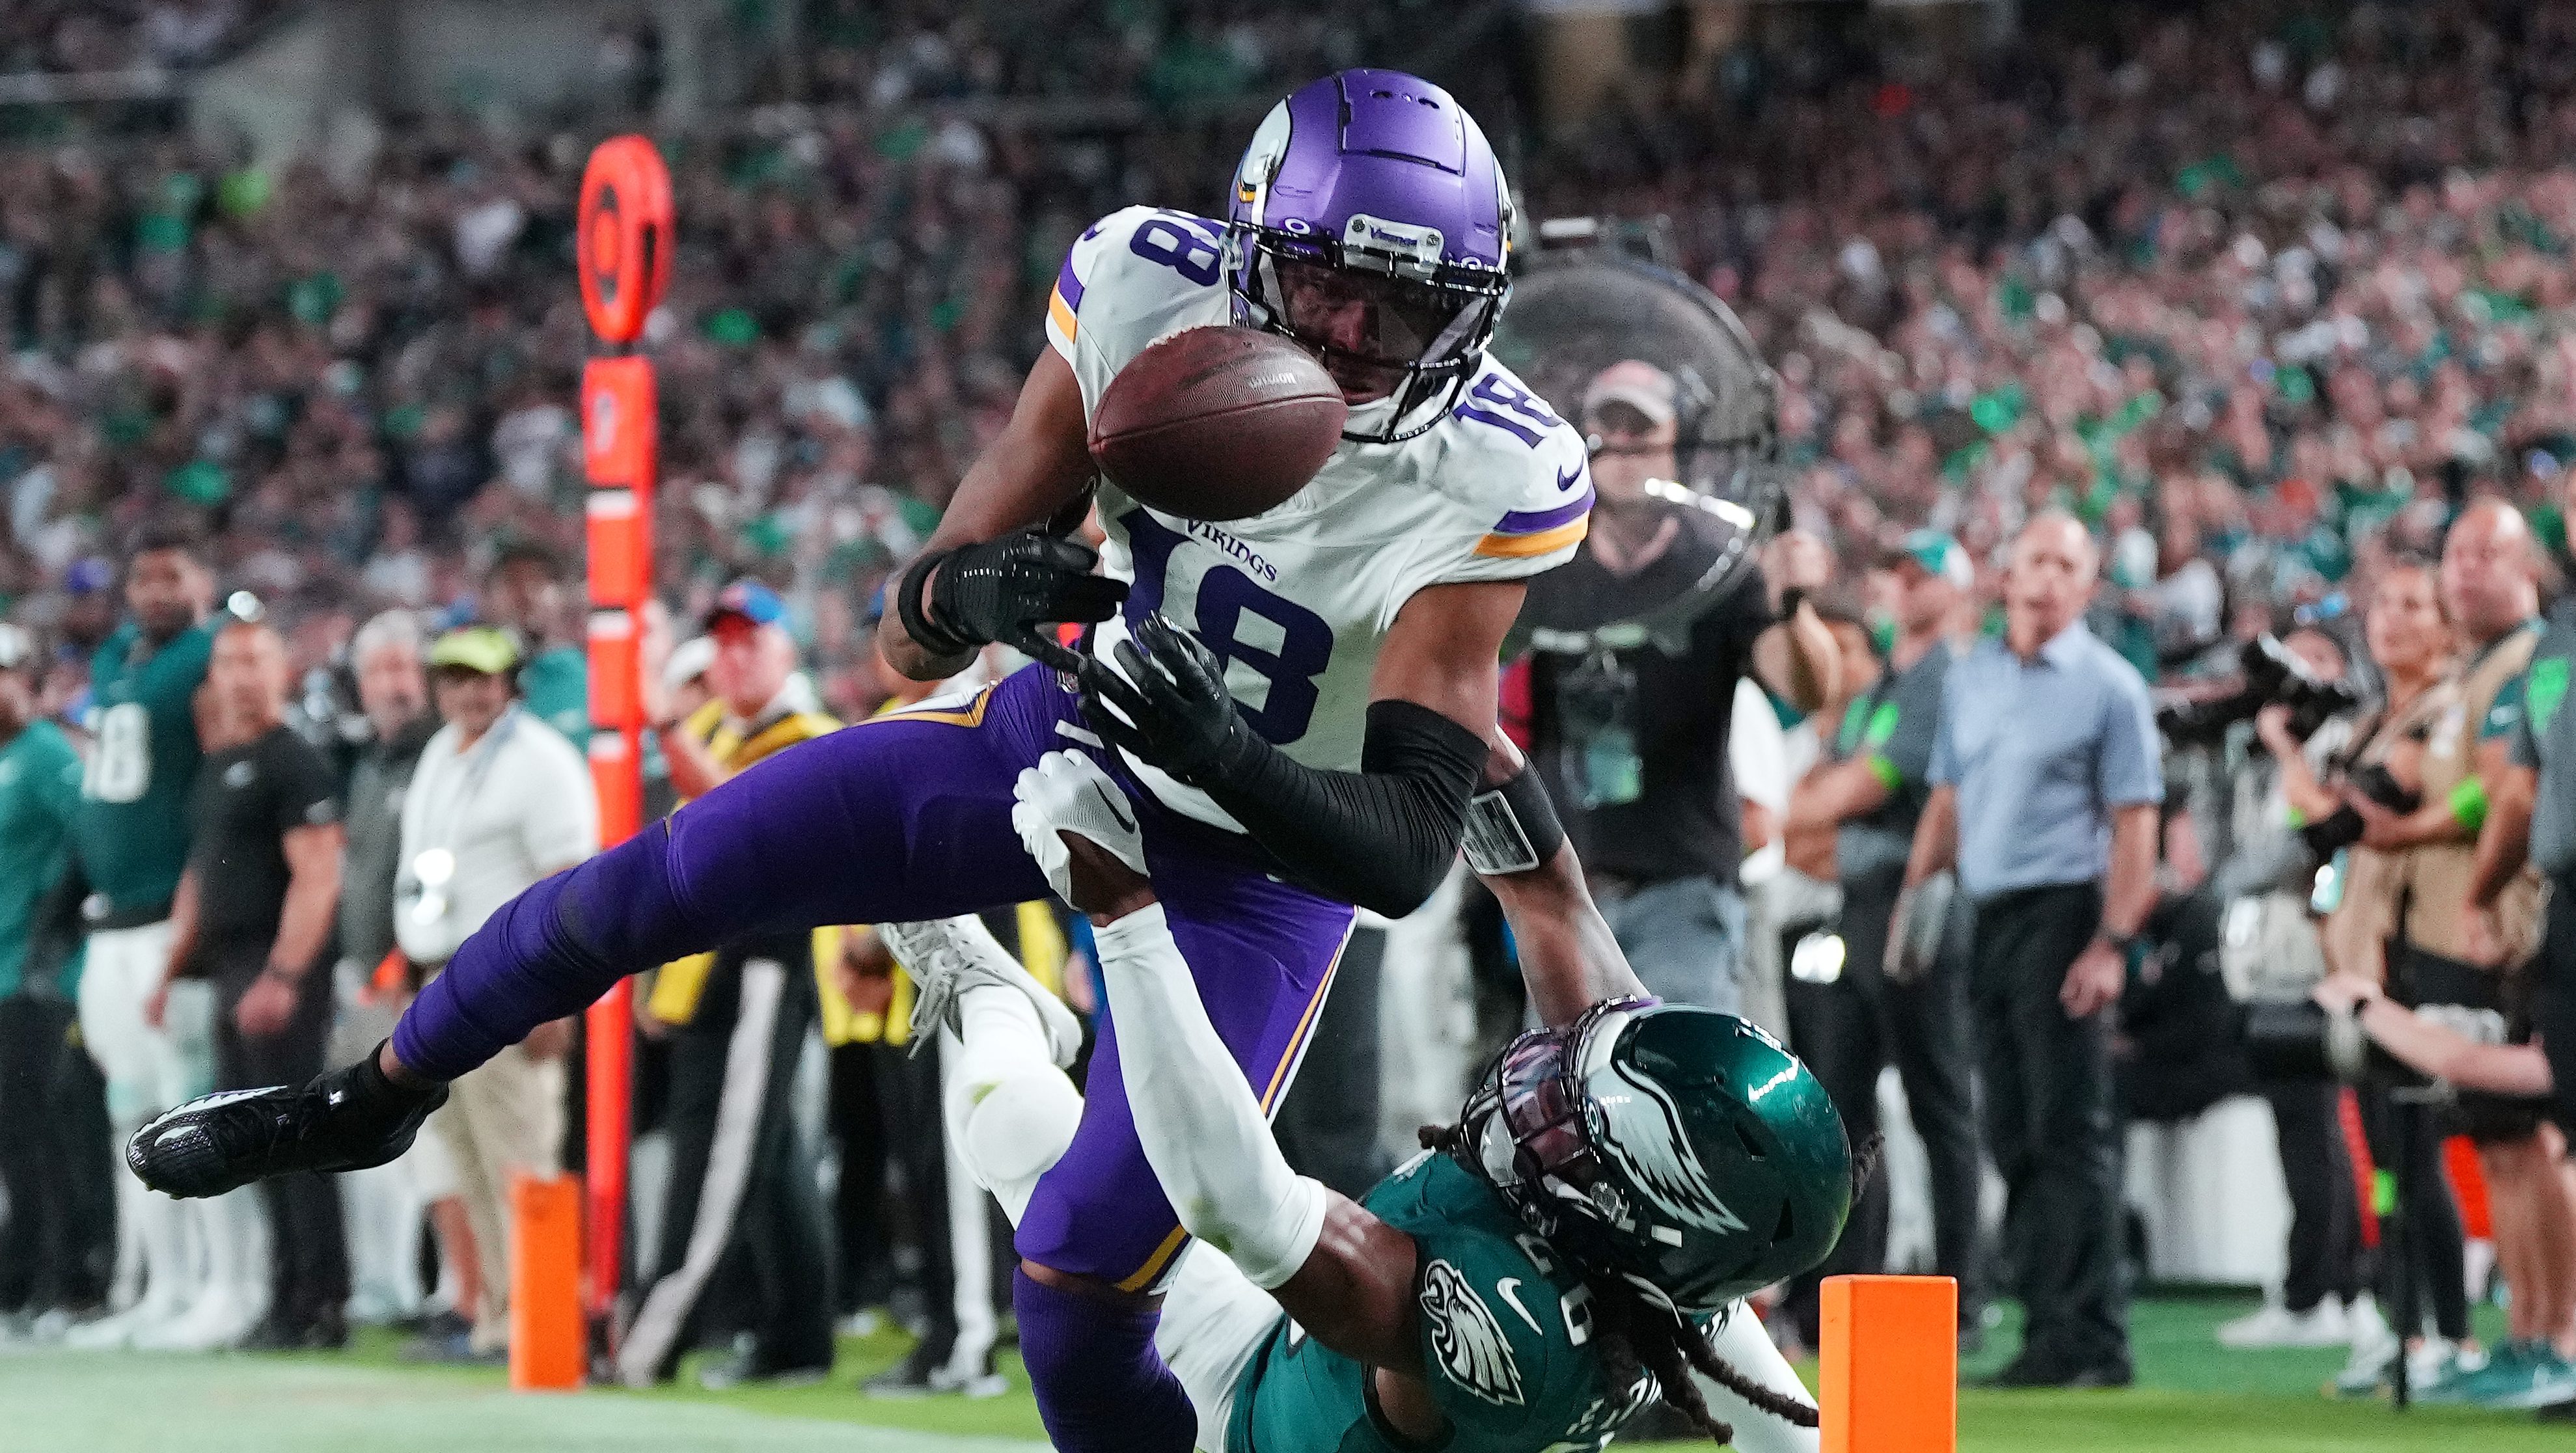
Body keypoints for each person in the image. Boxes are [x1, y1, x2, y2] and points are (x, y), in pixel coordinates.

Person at [133, 69, 1598, 1453]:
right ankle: (369, 1099)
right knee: (668, 876)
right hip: (1057, 743)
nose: (1346, 338)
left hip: (1259, 874)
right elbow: (909, 634)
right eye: (1327, 283)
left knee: (1078, 1285)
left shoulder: (1491, 472)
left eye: (1399, 309)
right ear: (1244, 247)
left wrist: (1220, 746)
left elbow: (1404, 849)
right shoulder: (1143, 286)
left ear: (1465, 320)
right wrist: (974, 593)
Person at [920, 743, 1843, 1451]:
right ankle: (1002, 1008)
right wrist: (1429, 692)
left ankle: (991, 1003)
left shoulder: (1508, 1321)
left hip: (1221, 1426)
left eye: (1581, 1133)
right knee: (1034, 1130)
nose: (1543, 1096)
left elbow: (1232, 1196)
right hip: (1277, 1354)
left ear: (1635, 1214)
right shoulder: (1675, 1267)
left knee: (1010, 1128)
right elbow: (1544, 890)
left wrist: (1125, 917)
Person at [1895, 511, 2162, 1388]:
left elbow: (2134, 827)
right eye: (2033, 561)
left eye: (2065, 565)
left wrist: (2111, 943)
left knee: (2067, 1129)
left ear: (2087, 588)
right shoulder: (1969, 679)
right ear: (2005, 577)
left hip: (2063, 912)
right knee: (2008, 1129)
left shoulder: (2110, 685)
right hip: (1985, 915)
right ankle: (2045, 1327)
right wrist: (1913, 901)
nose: (2046, 578)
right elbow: (1946, 800)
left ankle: (2094, 1338)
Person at [2346, 500, 2573, 1407]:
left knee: (2527, 1137)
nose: (2462, 569)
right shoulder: (2533, 652)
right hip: (2509, 914)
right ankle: (2528, 1333)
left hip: (2496, 922)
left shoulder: (2522, 657)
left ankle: (2553, 1332)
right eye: (2455, 553)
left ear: (2527, 564)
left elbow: (2495, 800)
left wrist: (2425, 852)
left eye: (2486, 552)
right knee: (2501, 1138)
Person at [1522, 362, 1835, 1014]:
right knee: (1562, 1095)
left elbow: (1807, 687)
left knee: (1674, 1081)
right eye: (1608, 425)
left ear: (1676, 442)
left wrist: (1794, 606)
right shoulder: (1550, 563)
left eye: (1641, 426)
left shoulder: (1717, 565)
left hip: (1683, 883)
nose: (1623, 442)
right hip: (1566, 887)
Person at [620, 581, 840, 1389]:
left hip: (767, 970)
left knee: (715, 1161)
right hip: (708, 973)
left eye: (754, 641)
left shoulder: (811, 734)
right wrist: (657, 979)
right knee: (769, 1160)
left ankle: (652, 1341)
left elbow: (733, 820)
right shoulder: (710, 725)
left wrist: (665, 715)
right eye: (724, 642)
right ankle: (798, 1338)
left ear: (786, 654)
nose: (736, 656)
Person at [1779, 530, 1982, 1351]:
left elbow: (1852, 789)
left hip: (1916, 906)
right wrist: (1832, 803)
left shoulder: (1944, 681)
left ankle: (1962, 1299)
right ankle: (1841, 1294)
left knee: (1939, 1104)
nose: (1903, 584)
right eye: (1897, 571)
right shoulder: (1883, 687)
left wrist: (1834, 801)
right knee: (1844, 1108)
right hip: (1852, 905)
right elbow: (1804, 807)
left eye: (1920, 572)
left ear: (1957, 587)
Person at [391, 625, 598, 1359]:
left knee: (521, 1155)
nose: (467, 691)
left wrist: (557, 998)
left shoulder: (542, 761)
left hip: (510, 983)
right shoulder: (440, 752)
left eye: (481, 678)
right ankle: (499, 1317)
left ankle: (543, 1323)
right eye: (452, 677)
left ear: (511, 682)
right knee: (468, 1155)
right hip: (439, 979)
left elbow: (570, 886)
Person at [145, 619, 346, 1349]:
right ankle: (284, 1294)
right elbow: (203, 872)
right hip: (231, 969)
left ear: (282, 670)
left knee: (295, 1138)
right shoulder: (222, 761)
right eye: (229, 662)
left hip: (275, 967)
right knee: (254, 1146)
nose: (241, 675)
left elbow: (320, 874)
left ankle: (320, 1300)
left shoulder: (295, 760)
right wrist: (171, 970)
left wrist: (285, 974)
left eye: (255, 660)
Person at [66, 521, 225, 1351]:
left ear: (200, 581)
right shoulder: (117, 657)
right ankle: (158, 1287)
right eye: (144, 577)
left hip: (169, 912)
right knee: (130, 1110)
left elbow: (210, 791)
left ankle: (220, 1285)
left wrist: (193, 921)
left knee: (191, 1114)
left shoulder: (205, 657)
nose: (156, 592)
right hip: (113, 919)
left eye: (173, 574)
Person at [2214, 626, 2374, 1353]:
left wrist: (2283, 751)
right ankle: (2330, 1287)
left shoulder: (2336, 742)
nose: (2298, 676)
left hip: (2312, 956)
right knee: (2308, 1129)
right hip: (2278, 956)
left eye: (2316, 661)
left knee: (2314, 1129)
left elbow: (2296, 844)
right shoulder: (2277, 749)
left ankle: (2321, 1291)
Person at [333, 610, 448, 1333]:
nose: (393, 685)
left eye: (404, 668)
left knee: (416, 1132)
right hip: (362, 974)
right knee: (366, 1131)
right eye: (378, 671)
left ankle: (414, 1281)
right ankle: (382, 1278)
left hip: (407, 972)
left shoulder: (439, 752)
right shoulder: (371, 763)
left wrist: (405, 954)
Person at [0, 623, 106, 1328]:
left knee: (40, 1137)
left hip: (31, 977)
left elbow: (89, 835)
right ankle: (21, 1281)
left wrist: (57, 925)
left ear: (27, 682)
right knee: (14, 1140)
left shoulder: (40, 753)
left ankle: (62, 1280)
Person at [482, 541, 588, 745]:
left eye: (537, 581)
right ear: (490, 601)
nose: (524, 595)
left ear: (563, 595)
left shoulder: (596, 673)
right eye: (511, 584)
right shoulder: (480, 683)